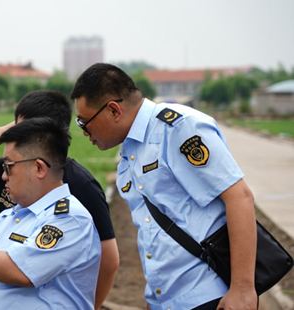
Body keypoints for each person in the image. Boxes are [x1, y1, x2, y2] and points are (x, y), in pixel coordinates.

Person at [71, 63, 258, 310]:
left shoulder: (178, 128)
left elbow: (239, 197)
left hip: (207, 295)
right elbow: (153, 231)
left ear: (114, 110)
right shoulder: (129, 152)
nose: (84, 132)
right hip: (167, 301)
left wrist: (243, 290)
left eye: (84, 122)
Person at [0, 90, 119, 309]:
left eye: (8, 167)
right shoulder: (15, 211)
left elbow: (21, 270)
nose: (3, 176)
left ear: (39, 167)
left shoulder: (70, 213)